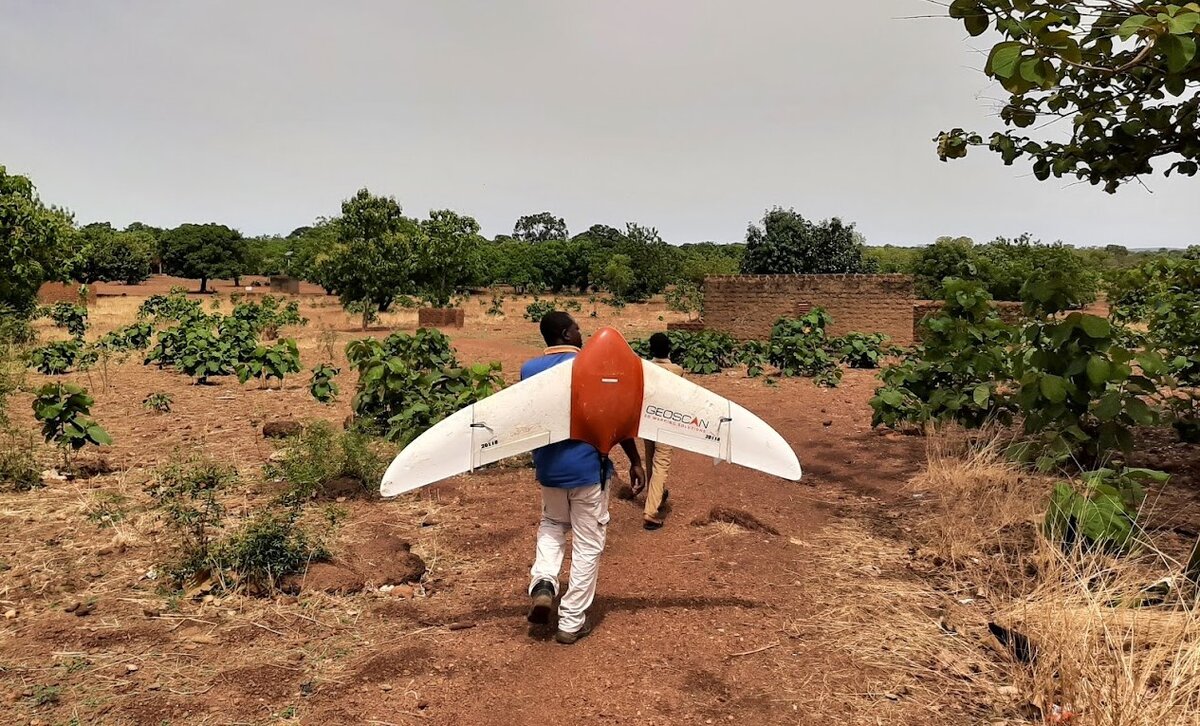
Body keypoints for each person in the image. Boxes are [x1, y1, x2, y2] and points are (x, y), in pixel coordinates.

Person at [522, 311, 646, 644]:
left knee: (552, 525)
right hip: (588, 469)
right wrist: (635, 460)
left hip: (549, 469)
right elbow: (613, 417)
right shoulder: (593, 369)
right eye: (577, 328)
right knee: (588, 544)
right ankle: (571, 621)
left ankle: (545, 583)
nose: (582, 332)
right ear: (565, 333)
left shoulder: (528, 370)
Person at [642, 333, 685, 530]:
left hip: (647, 420)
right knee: (661, 464)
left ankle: (654, 495)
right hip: (666, 422)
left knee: (651, 460)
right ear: (669, 348)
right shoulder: (677, 370)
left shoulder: (645, 368)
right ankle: (651, 511)